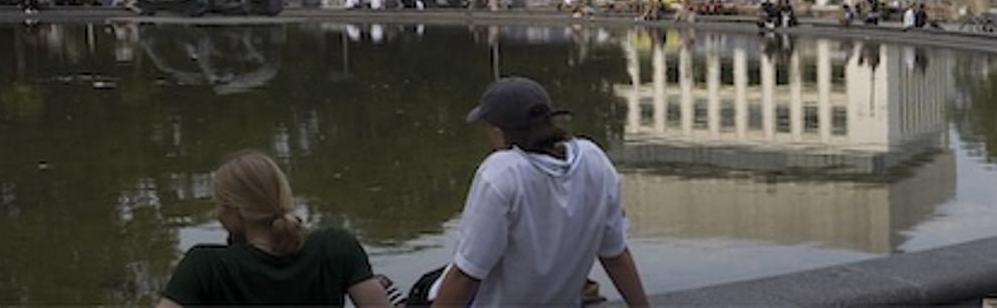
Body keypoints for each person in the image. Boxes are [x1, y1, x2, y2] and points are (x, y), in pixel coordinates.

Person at [432, 76, 650, 308]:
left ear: (498, 132)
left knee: (425, 288)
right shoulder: (593, 160)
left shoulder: (502, 173)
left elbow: (466, 276)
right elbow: (615, 256)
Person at [158, 150, 390, 308]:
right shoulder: (336, 247)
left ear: (235, 210)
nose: (216, 213)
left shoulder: (206, 266)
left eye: (218, 205)